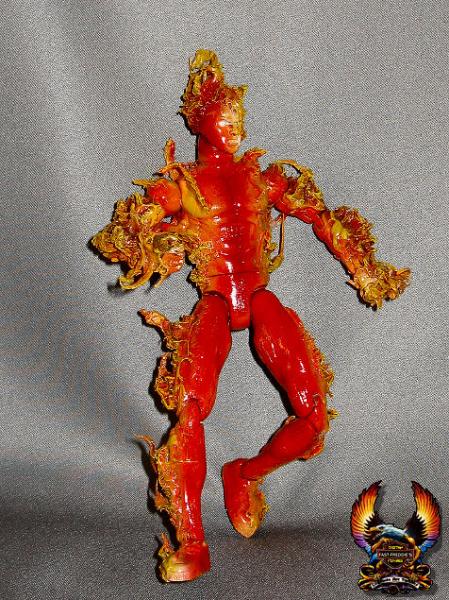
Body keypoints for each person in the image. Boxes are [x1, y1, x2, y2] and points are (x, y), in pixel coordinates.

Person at [92, 49, 410, 582]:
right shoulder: (184, 185)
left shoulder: (264, 178)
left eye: (240, 118)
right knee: (190, 409)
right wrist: (143, 234)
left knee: (312, 417)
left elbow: (321, 216)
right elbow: (130, 225)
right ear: (202, 122)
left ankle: (244, 474)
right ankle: (191, 543)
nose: (236, 128)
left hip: (260, 298)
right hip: (215, 302)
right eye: (227, 118)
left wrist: (364, 266)